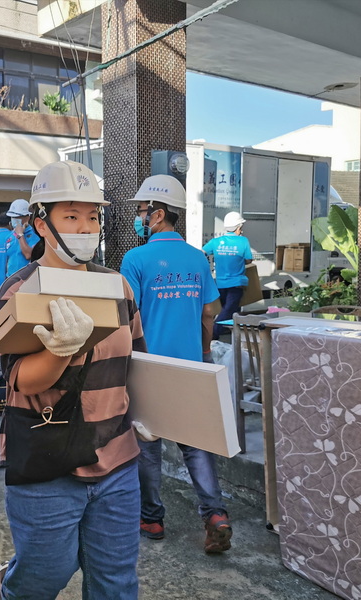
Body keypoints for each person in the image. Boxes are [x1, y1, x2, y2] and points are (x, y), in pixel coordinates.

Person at [0, 161, 146, 600]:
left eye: (93, 217)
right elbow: (21, 381)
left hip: (116, 456)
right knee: (44, 577)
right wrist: (60, 351)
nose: (85, 228)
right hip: (47, 458)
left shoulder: (118, 286)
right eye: (72, 216)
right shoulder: (20, 290)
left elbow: (137, 358)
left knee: (116, 582)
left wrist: (156, 413)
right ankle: (10, 587)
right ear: (41, 223)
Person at [120, 174, 233, 554]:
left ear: (158, 214)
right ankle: (215, 515)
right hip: (190, 366)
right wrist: (204, 353)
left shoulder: (135, 259)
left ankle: (152, 518)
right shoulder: (198, 258)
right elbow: (210, 312)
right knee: (196, 446)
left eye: (142, 211)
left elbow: (127, 316)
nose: (139, 217)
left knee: (147, 447)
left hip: (149, 368)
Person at [202, 211, 253, 340]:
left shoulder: (216, 242)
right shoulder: (243, 241)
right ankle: (213, 333)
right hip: (236, 283)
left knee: (227, 309)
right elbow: (249, 260)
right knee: (229, 310)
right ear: (238, 227)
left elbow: (202, 252)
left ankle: (231, 334)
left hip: (220, 284)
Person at [5, 199, 39, 277]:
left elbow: (28, 255)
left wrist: (20, 235)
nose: (14, 219)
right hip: (11, 278)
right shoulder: (9, 236)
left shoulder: (35, 235)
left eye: (17, 217)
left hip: (27, 279)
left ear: (27, 217)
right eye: (12, 217)